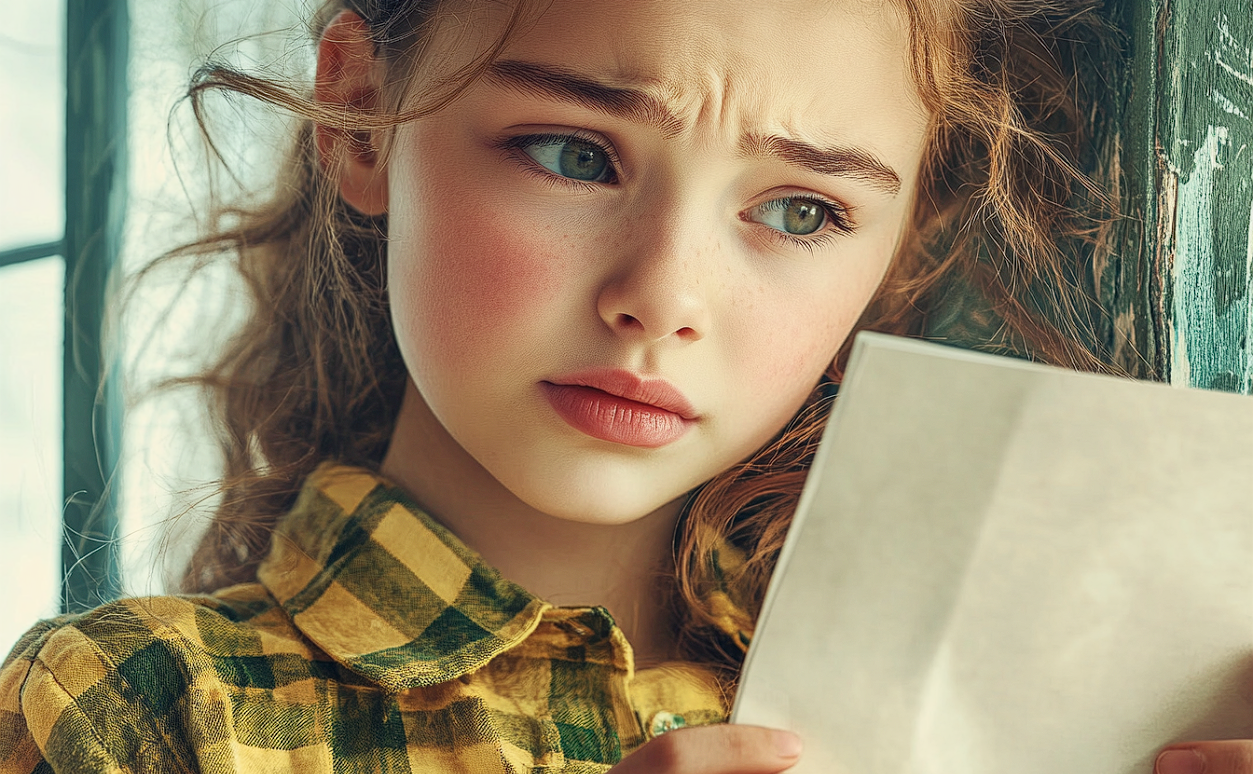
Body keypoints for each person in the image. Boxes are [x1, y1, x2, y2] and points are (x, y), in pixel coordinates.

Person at [0, 1, 1244, 772]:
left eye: (800, 210)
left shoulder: (1015, 726)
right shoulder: (130, 720)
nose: (664, 295)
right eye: (571, 153)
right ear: (360, 116)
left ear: (901, 250)